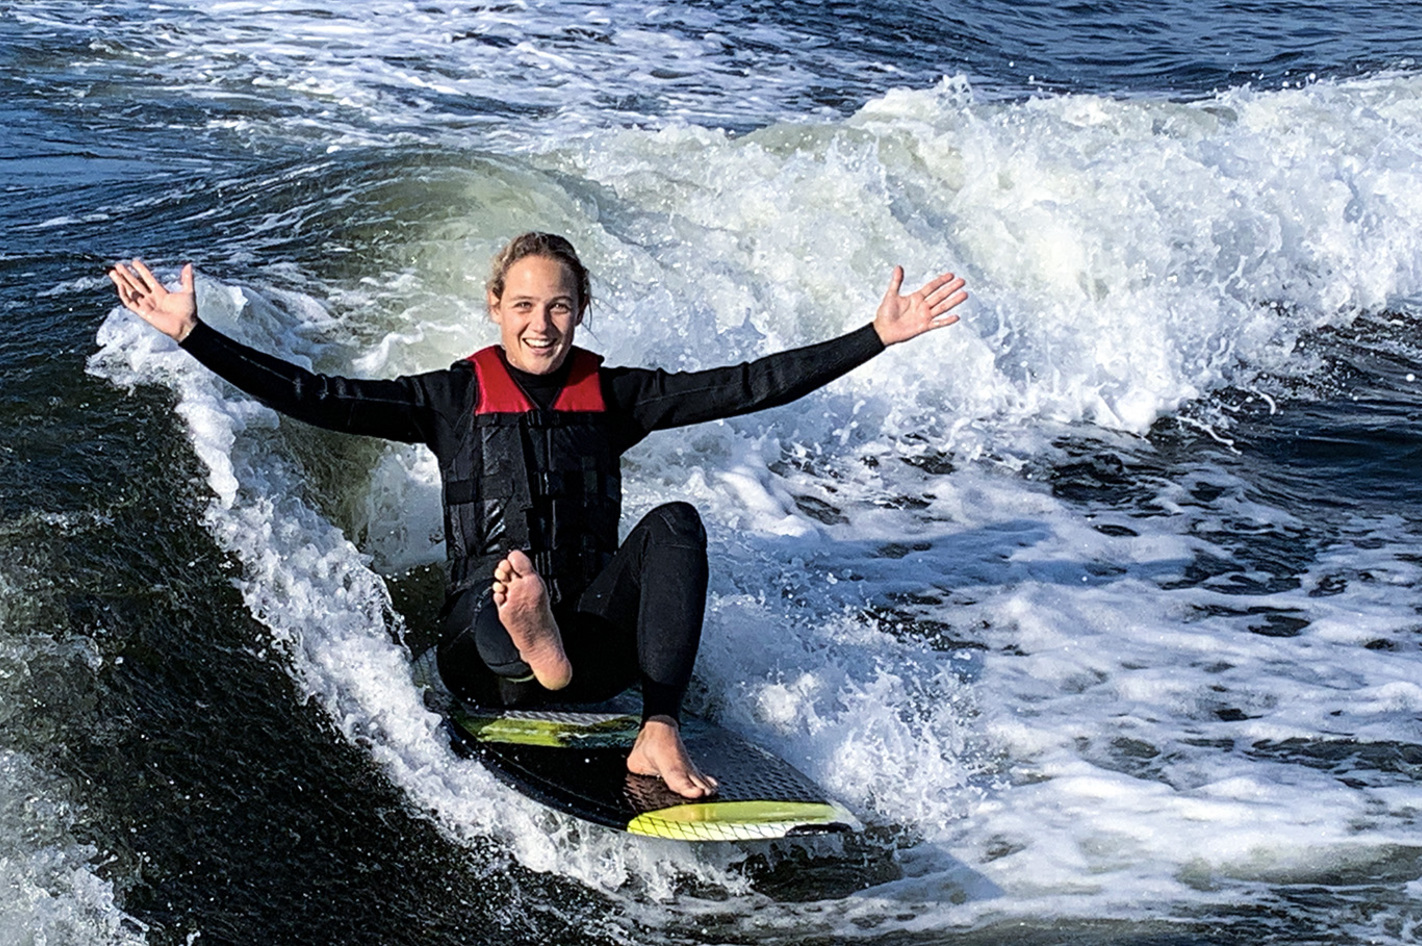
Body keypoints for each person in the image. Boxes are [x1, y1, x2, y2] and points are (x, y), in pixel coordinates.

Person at [109, 233, 967, 799]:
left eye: (559, 306)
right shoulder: (450, 398)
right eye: (523, 305)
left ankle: (648, 724)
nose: (541, 323)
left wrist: (873, 337)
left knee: (674, 523)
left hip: (592, 651)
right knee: (503, 595)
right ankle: (536, 640)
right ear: (495, 307)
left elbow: (747, 383)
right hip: (482, 651)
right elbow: (318, 396)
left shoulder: (618, 395)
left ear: (579, 311)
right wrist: (195, 335)